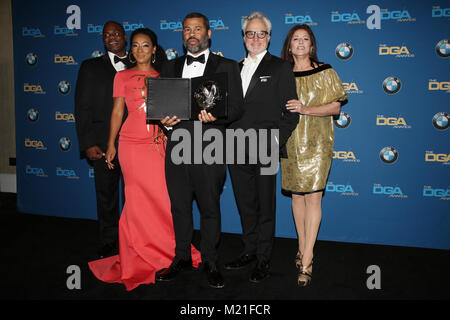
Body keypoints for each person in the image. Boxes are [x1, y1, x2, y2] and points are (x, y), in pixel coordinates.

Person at [88, 28, 201, 291]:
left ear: (154, 49)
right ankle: (138, 252)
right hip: (130, 144)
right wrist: (110, 143)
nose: (140, 50)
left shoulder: (165, 76)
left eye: (145, 45)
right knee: (136, 201)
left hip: (160, 145)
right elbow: (117, 110)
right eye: (136, 46)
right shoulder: (121, 76)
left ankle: (168, 250)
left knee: (163, 199)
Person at [155, 12, 244, 289]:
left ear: (208, 33)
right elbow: (160, 105)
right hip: (177, 145)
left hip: (209, 146)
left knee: (209, 207)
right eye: (186, 29)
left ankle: (210, 261)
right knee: (179, 206)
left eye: (197, 28)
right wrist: (163, 120)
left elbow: (237, 108)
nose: (191, 33)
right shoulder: (169, 67)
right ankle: (181, 257)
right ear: (182, 34)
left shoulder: (227, 66)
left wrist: (216, 117)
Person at [224, 12, 299, 283]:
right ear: (243, 37)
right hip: (234, 146)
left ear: (269, 37)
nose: (255, 38)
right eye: (250, 33)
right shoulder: (232, 68)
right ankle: (249, 251)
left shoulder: (280, 68)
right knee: (245, 204)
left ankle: (264, 258)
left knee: (266, 206)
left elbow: (291, 113)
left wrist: (274, 144)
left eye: (261, 33)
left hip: (265, 146)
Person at [280, 24, 348, 286]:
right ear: (289, 45)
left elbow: (336, 108)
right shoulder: (282, 74)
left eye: (304, 39)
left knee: (313, 199)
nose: (299, 43)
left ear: (311, 45)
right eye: (295, 39)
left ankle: (307, 257)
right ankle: (301, 246)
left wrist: (305, 109)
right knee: (297, 196)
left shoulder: (325, 71)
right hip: (290, 142)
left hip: (318, 143)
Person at [75, 21, 132, 259]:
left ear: (124, 36)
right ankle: (109, 241)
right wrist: (87, 142)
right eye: (107, 34)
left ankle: (134, 239)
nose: (112, 37)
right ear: (103, 39)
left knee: (135, 198)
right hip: (100, 143)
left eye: (116, 33)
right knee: (106, 196)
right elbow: (82, 107)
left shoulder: (140, 61)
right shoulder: (90, 67)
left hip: (134, 144)